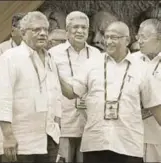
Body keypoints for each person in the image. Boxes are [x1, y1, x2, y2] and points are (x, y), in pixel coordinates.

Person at [59, 21, 161, 163]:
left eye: (114, 37)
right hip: (95, 143)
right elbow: (71, 93)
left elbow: (157, 108)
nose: (108, 41)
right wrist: (55, 74)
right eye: (106, 37)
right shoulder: (91, 64)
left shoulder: (142, 69)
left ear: (127, 40)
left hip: (128, 145)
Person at [0, 11, 62, 163]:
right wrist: (8, 136)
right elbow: (2, 99)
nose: (43, 33)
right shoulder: (10, 58)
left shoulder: (51, 59)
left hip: (49, 138)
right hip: (20, 140)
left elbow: (56, 96)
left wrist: (58, 129)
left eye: (46, 29)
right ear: (23, 33)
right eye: (37, 30)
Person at [49, 11, 101, 163]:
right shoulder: (53, 54)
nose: (80, 31)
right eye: (75, 27)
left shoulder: (96, 54)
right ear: (67, 31)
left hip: (89, 123)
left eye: (84, 28)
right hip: (64, 123)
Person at [132, 18, 161, 162]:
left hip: (158, 133)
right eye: (138, 36)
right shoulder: (131, 60)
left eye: (144, 37)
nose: (140, 41)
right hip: (133, 134)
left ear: (159, 38)